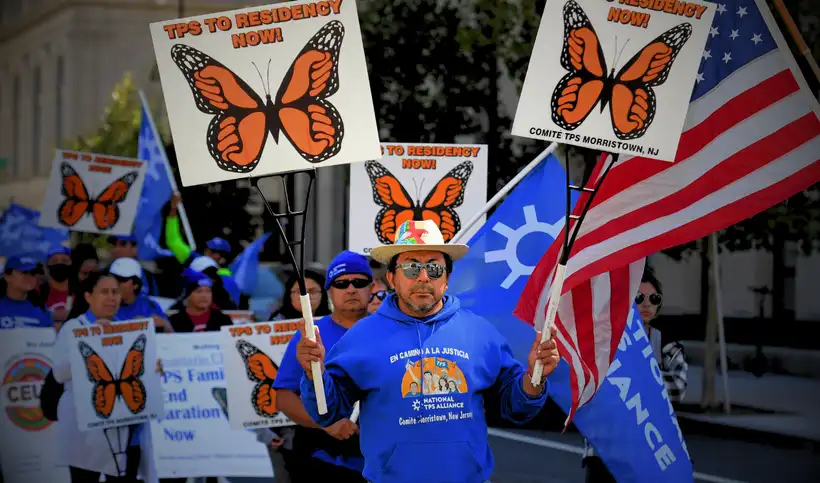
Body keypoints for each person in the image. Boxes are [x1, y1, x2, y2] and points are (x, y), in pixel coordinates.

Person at [296, 220, 560, 483]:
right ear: (392, 278)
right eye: (411, 267)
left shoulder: (480, 332)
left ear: (446, 279)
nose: (423, 277)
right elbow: (327, 411)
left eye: (434, 268)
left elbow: (517, 408)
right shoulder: (361, 337)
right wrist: (313, 373)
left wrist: (535, 377)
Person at [274, 251, 373, 483]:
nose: (351, 289)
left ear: (372, 287)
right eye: (341, 283)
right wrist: (326, 424)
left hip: (380, 463)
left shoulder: (388, 331)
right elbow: (284, 398)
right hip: (324, 461)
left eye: (359, 282)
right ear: (329, 291)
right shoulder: (311, 335)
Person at [582, 266, 688, 482]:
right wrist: (650, 380)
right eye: (639, 298)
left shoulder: (667, 344)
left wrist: (630, 378)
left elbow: (678, 390)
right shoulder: (604, 340)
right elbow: (594, 389)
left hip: (649, 453)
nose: (647, 304)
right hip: (604, 451)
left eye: (654, 298)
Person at [54, 271, 160, 482]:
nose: (112, 297)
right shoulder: (74, 328)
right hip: (84, 435)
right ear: (88, 296)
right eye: (104, 292)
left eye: (115, 292)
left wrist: (153, 367)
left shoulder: (127, 328)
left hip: (126, 432)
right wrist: (92, 338)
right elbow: (59, 373)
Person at [166, 194, 234, 276]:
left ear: (222, 258)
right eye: (209, 248)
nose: (208, 252)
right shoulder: (192, 258)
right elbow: (173, 240)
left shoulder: (227, 276)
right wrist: (173, 209)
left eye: (213, 251)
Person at [110, 257, 172, 333]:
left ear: (135, 285)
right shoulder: (102, 306)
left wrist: (164, 325)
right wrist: (130, 327)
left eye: (121, 280)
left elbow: (173, 336)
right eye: (112, 278)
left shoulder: (149, 305)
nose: (114, 284)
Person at [168, 269, 234, 333]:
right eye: (198, 291)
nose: (204, 295)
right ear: (188, 296)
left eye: (208, 291)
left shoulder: (223, 319)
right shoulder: (175, 321)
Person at [0, 255, 53, 329]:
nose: (29, 277)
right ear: (7, 277)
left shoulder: (42, 310)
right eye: (24, 272)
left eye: (33, 273)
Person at [38, 246, 75, 324]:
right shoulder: (38, 292)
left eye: (65, 261)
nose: (60, 264)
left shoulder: (80, 293)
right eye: (54, 261)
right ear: (47, 267)